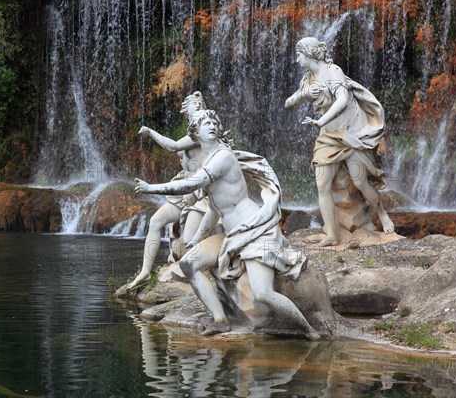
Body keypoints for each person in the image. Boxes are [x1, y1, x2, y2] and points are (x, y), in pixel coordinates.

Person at [136, 110, 319, 339]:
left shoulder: (223, 156)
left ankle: (310, 331)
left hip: (255, 230)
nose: (211, 125)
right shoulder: (208, 159)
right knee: (188, 264)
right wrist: (196, 238)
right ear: (195, 132)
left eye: (214, 122)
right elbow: (214, 209)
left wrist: (151, 188)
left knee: (262, 293)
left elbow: (192, 183)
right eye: (205, 122)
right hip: (232, 234)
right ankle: (220, 320)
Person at [285, 37, 394, 246]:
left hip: (350, 134)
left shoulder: (333, 72)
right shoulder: (308, 80)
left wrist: (319, 121)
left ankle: (382, 213)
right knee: (322, 184)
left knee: (360, 181)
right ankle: (332, 235)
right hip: (327, 137)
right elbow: (288, 103)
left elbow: (343, 101)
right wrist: (305, 94)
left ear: (309, 54)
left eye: (299, 55)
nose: (297, 60)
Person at [128, 92, 210, 290]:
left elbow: (172, 147)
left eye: (200, 104)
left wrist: (149, 132)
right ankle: (145, 271)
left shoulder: (204, 131)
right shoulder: (191, 133)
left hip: (200, 193)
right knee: (155, 221)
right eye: (194, 104)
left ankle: (202, 275)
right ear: (186, 111)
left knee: (190, 240)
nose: (198, 106)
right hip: (184, 190)